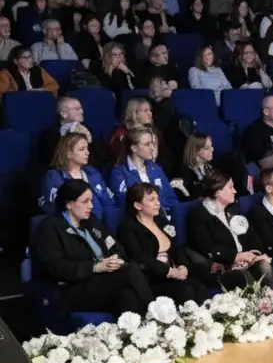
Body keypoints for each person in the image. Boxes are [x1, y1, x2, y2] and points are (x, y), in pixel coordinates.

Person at [31, 179, 154, 317]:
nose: (91, 206)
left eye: (91, 201)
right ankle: (156, 313)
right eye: (85, 201)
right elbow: (56, 267)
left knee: (127, 294)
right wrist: (95, 267)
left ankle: (138, 329)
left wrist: (115, 258)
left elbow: (112, 243)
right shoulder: (50, 228)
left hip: (102, 280)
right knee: (130, 270)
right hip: (73, 288)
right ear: (69, 204)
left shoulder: (91, 220)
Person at [117, 182, 207, 304]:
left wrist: (182, 266)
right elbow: (139, 257)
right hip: (152, 279)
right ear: (138, 205)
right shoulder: (127, 228)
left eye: (157, 199)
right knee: (186, 290)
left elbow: (177, 248)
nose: (158, 203)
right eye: (151, 200)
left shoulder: (161, 221)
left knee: (200, 288)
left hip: (173, 274)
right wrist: (169, 271)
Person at [186, 171, 273, 288]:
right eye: (230, 187)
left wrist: (255, 253)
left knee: (265, 265)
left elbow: (251, 234)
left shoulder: (234, 209)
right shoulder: (199, 216)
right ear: (218, 192)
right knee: (242, 275)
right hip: (224, 264)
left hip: (246, 259)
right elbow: (207, 248)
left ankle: (271, 297)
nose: (235, 191)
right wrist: (236, 256)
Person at [40, 132, 113, 220]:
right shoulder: (54, 177)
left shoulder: (92, 173)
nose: (87, 153)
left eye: (87, 148)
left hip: (98, 225)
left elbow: (108, 203)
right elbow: (52, 209)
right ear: (68, 153)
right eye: (82, 149)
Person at [110, 127, 178, 212]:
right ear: (134, 148)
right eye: (147, 144)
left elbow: (172, 199)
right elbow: (124, 204)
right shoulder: (119, 173)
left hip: (165, 216)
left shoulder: (156, 168)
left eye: (152, 143)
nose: (152, 148)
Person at [172, 131, 216, 200]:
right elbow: (186, 199)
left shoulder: (209, 167)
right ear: (195, 150)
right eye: (207, 148)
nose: (212, 149)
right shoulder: (184, 172)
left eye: (211, 146)